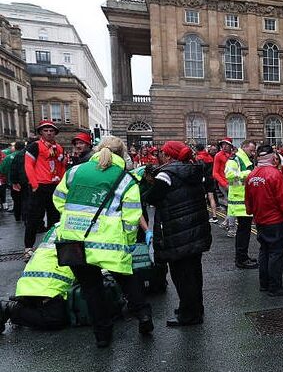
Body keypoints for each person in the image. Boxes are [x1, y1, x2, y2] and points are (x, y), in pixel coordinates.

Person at [52, 136, 152, 347]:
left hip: (74, 241)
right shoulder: (126, 180)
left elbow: (59, 198)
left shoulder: (74, 172)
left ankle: (102, 335)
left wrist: (71, 218)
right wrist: (129, 240)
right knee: (126, 277)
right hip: (110, 242)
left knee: (91, 289)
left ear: (97, 150)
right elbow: (132, 215)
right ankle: (143, 316)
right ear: (122, 154)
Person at [144, 141, 211, 326]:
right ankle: (194, 308)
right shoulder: (193, 169)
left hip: (177, 231)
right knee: (194, 273)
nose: (160, 156)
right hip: (195, 229)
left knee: (182, 276)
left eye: (163, 153)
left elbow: (151, 197)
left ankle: (189, 315)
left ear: (169, 156)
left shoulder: (166, 174)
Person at [245, 145, 283, 296]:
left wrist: (253, 214)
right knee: (276, 253)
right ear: (273, 157)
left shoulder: (251, 175)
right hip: (275, 221)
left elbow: (248, 202)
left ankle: (264, 284)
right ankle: (275, 286)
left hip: (260, 220)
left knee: (264, 250)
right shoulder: (274, 174)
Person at [0, 226, 73, 332]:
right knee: (55, 320)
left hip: (38, 278)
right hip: (47, 283)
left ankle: (27, 303)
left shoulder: (61, 225)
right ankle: (9, 308)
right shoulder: (86, 228)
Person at [24, 120, 66, 261]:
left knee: (55, 218)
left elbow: (61, 167)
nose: (48, 133)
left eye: (51, 130)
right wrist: (34, 185)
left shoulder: (59, 148)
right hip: (40, 187)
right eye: (45, 130)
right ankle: (28, 248)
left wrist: (61, 182)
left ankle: (51, 246)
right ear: (41, 132)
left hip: (54, 186)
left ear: (55, 133)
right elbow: (29, 165)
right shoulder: (34, 146)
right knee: (34, 218)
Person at [225, 139, 257, 269]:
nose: (253, 152)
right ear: (244, 147)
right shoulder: (235, 159)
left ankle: (243, 256)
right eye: (251, 150)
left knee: (245, 230)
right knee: (243, 231)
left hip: (244, 200)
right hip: (239, 201)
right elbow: (229, 175)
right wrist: (249, 173)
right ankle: (241, 259)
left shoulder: (245, 159)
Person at [213, 138, 235, 233]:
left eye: (226, 144)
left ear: (230, 146)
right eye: (223, 144)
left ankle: (226, 222)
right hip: (224, 184)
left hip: (234, 183)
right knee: (232, 205)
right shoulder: (218, 155)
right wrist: (224, 184)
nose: (224, 146)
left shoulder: (234, 155)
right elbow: (215, 173)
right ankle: (231, 228)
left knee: (231, 205)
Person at [0, 141, 25, 221]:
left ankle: (17, 216)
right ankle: (25, 216)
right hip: (26, 182)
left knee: (16, 200)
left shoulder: (8, 157)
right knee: (26, 199)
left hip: (13, 182)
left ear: (15, 147)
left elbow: (2, 170)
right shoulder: (27, 156)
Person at [195, 143, 219, 223]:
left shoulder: (198, 157)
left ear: (197, 149)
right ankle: (214, 216)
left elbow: (200, 169)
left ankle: (202, 217)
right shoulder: (209, 157)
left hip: (203, 179)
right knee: (211, 198)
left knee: (202, 198)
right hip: (211, 179)